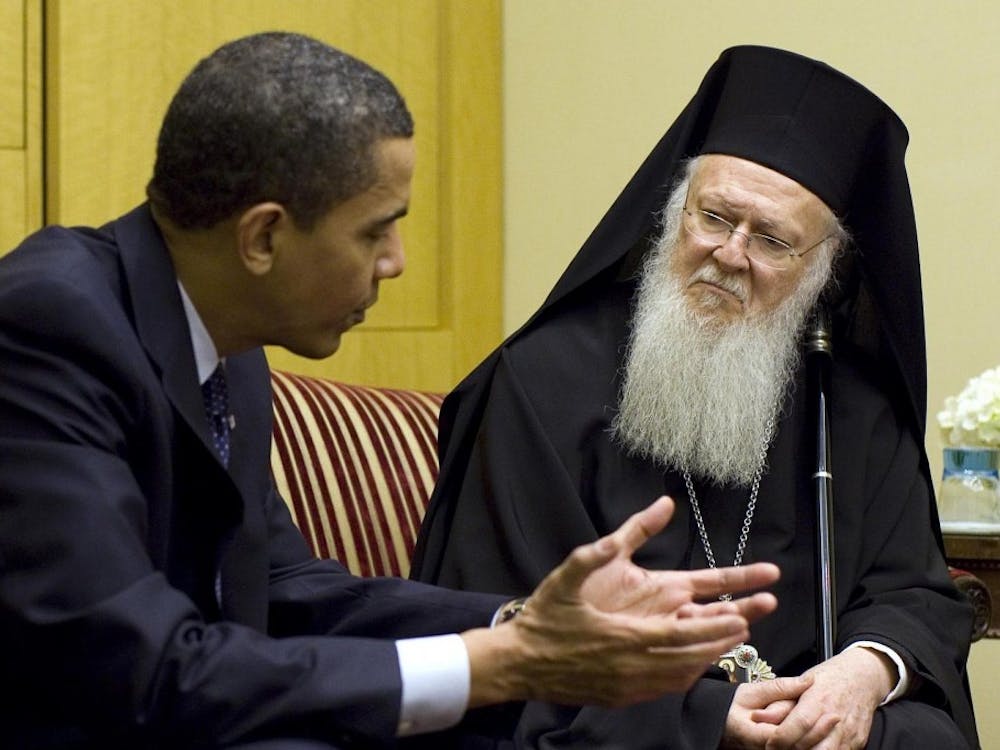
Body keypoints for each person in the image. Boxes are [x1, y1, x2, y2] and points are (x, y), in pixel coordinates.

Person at [0, 32, 786, 749]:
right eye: (376, 229)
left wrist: (522, 623)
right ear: (264, 237)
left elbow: (284, 589)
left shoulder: (228, 345)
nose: (398, 261)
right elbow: (143, 670)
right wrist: (504, 663)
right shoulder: (51, 326)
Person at [411, 45, 980, 749]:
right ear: (675, 212)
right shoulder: (541, 380)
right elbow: (498, 620)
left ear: (822, 271)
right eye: (714, 217)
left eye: (772, 239)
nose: (731, 253)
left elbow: (913, 591)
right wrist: (706, 719)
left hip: (808, 717)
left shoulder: (848, 403)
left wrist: (863, 673)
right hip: (624, 718)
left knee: (922, 737)